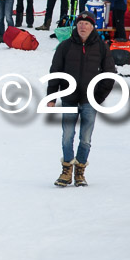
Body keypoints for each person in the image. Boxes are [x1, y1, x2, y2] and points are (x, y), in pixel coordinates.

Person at [47, 10, 116, 187]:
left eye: (86, 24)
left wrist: (98, 97)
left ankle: (80, 171)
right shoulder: (65, 46)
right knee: (67, 136)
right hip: (69, 98)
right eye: (80, 24)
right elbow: (55, 71)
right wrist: (52, 96)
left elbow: (109, 74)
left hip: (89, 101)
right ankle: (66, 170)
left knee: (85, 138)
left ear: (93, 27)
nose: (82, 26)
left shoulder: (101, 47)